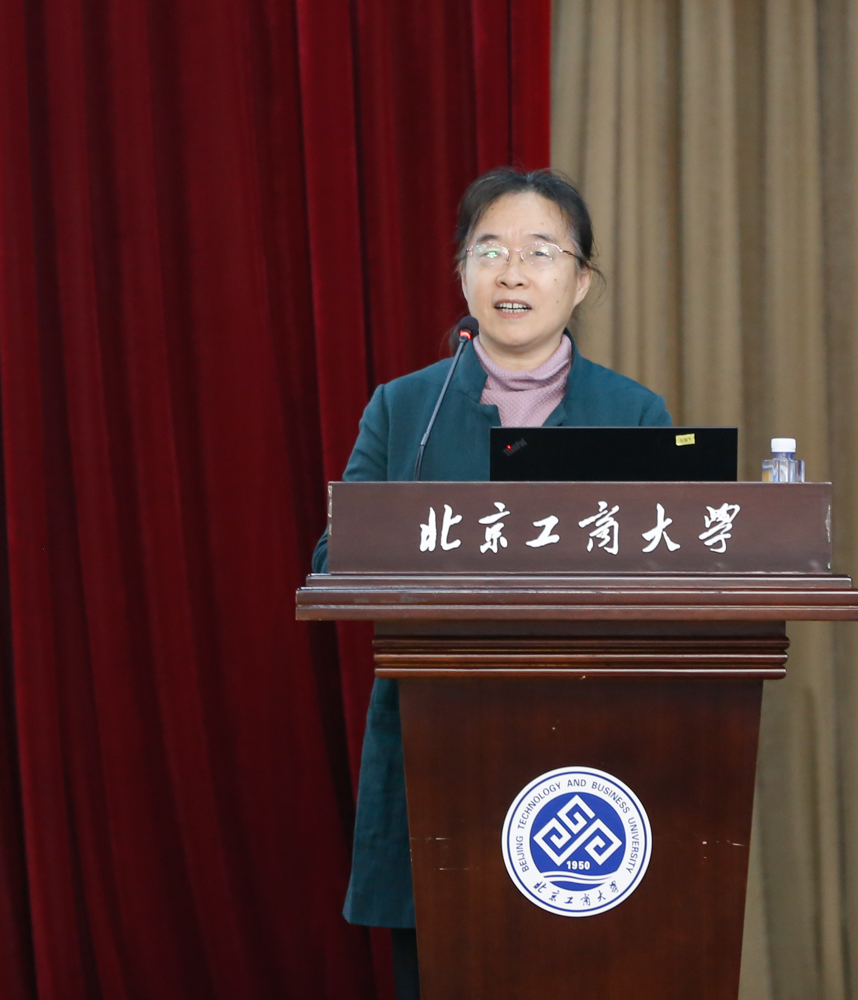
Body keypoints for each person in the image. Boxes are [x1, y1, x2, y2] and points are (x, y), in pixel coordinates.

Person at [311, 167, 672, 998]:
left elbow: (668, 579)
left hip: (589, 752)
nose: (513, 272)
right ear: (463, 273)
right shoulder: (405, 409)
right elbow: (336, 560)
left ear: (581, 282)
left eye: (541, 252)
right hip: (437, 741)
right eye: (491, 250)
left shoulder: (633, 415)